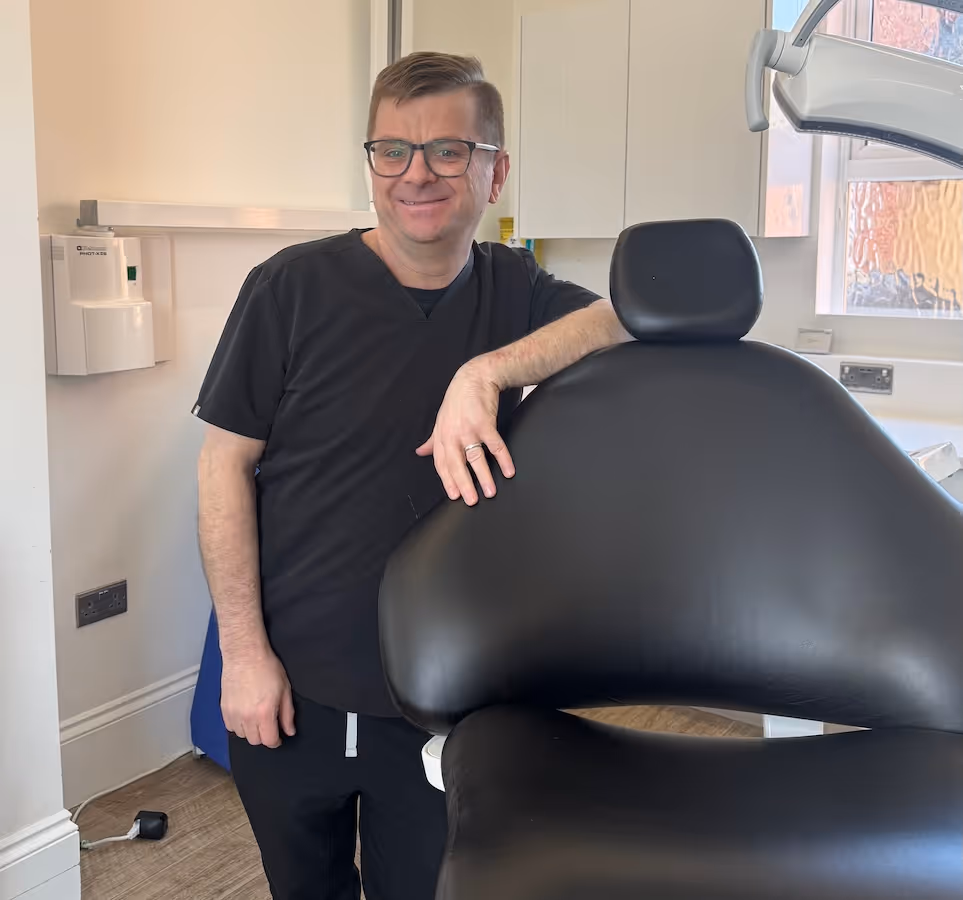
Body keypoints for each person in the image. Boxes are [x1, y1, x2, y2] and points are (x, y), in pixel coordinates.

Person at [193, 51, 632, 900]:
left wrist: (485, 373)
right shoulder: (287, 288)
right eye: (391, 150)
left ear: (494, 171)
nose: (415, 174)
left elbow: (623, 320)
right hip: (291, 687)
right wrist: (243, 656)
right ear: (370, 165)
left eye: (447, 150)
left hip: (441, 696)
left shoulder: (515, 288)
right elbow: (223, 466)